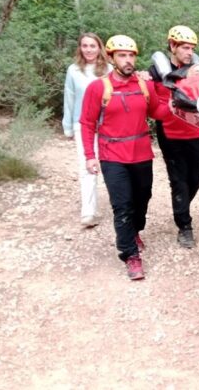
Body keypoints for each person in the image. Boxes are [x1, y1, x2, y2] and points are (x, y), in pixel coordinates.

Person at [80, 35, 169, 280]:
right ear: (110, 57)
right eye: (122, 55)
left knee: (143, 198)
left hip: (141, 153)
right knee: (122, 206)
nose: (128, 60)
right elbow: (87, 123)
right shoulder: (99, 87)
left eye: (131, 55)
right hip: (112, 155)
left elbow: (157, 111)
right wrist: (90, 156)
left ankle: (134, 231)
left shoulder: (144, 84)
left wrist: (176, 105)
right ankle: (130, 255)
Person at [148, 25, 199, 249]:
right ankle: (184, 226)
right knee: (179, 181)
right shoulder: (156, 71)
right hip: (170, 134)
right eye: (184, 47)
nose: (189, 52)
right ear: (172, 46)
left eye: (191, 48)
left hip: (195, 131)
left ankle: (180, 206)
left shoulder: (196, 69)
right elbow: (150, 101)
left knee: (198, 177)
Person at [62, 33, 112, 228]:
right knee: (87, 167)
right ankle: (88, 212)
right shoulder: (73, 70)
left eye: (92, 46)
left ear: (99, 47)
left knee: (110, 166)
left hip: (106, 124)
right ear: (80, 48)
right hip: (82, 124)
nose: (89, 49)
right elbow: (69, 98)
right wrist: (67, 127)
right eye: (85, 46)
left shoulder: (109, 69)